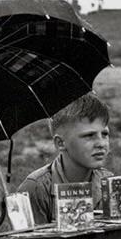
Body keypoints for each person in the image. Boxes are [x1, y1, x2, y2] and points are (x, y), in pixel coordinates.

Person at [17, 93, 113, 224]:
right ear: (60, 143)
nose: (101, 143)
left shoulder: (109, 182)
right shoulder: (35, 189)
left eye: (105, 134)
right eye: (89, 136)